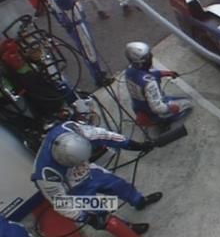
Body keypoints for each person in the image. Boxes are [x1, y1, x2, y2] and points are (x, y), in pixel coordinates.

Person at [31, 121, 161, 233]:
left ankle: (139, 200)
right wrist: (84, 217)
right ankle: (127, 227)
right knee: (98, 212)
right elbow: (61, 203)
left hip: (89, 171)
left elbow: (106, 136)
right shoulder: (45, 174)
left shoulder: (73, 129)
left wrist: (135, 145)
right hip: (73, 188)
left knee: (119, 184)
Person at [124, 42, 193, 127]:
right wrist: (170, 107)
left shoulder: (129, 71)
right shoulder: (150, 83)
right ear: (141, 62)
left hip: (138, 107)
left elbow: (145, 75)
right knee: (188, 103)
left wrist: (165, 73)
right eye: (148, 57)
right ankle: (160, 121)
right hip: (153, 111)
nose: (151, 57)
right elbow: (157, 108)